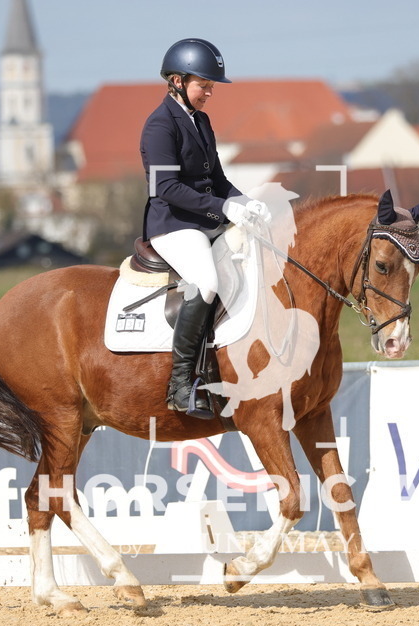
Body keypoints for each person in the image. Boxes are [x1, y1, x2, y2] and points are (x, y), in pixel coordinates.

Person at [140, 38, 268, 419]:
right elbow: (166, 188)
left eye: (212, 85)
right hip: (174, 224)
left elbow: (218, 177)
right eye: (204, 85)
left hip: (208, 219)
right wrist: (223, 207)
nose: (211, 92)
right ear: (177, 81)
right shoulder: (159, 126)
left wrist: (246, 203)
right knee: (207, 282)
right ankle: (181, 385)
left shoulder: (201, 120)